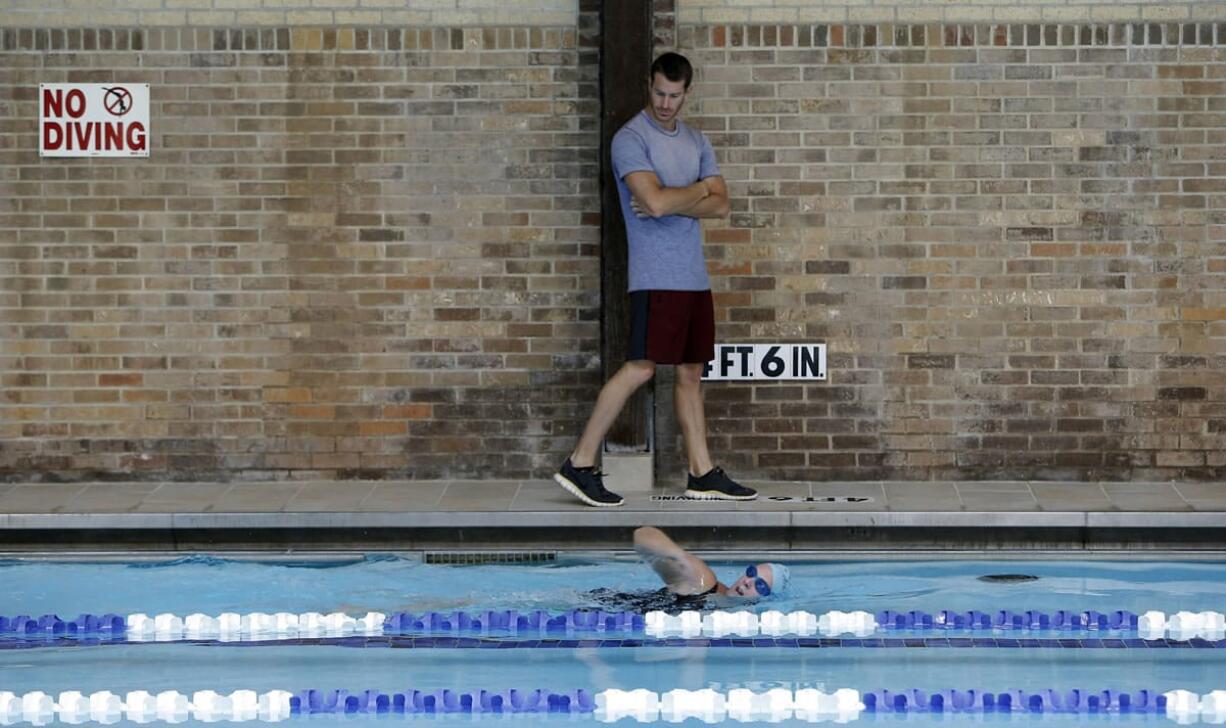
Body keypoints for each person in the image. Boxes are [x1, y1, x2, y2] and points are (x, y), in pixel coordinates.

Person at [555, 52, 758, 507]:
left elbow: (721, 205)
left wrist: (681, 195)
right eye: (659, 93)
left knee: (690, 372)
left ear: (687, 92)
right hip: (655, 275)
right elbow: (655, 202)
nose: (666, 104)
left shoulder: (696, 140)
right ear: (650, 85)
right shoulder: (631, 139)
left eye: (674, 95)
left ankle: (701, 473)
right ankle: (580, 461)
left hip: (693, 275)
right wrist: (698, 191)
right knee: (642, 366)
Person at [588, 527, 790, 612]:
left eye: (760, 585)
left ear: (767, 599)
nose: (748, 581)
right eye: (752, 573)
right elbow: (642, 535)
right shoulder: (704, 582)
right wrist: (676, 556)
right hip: (595, 606)